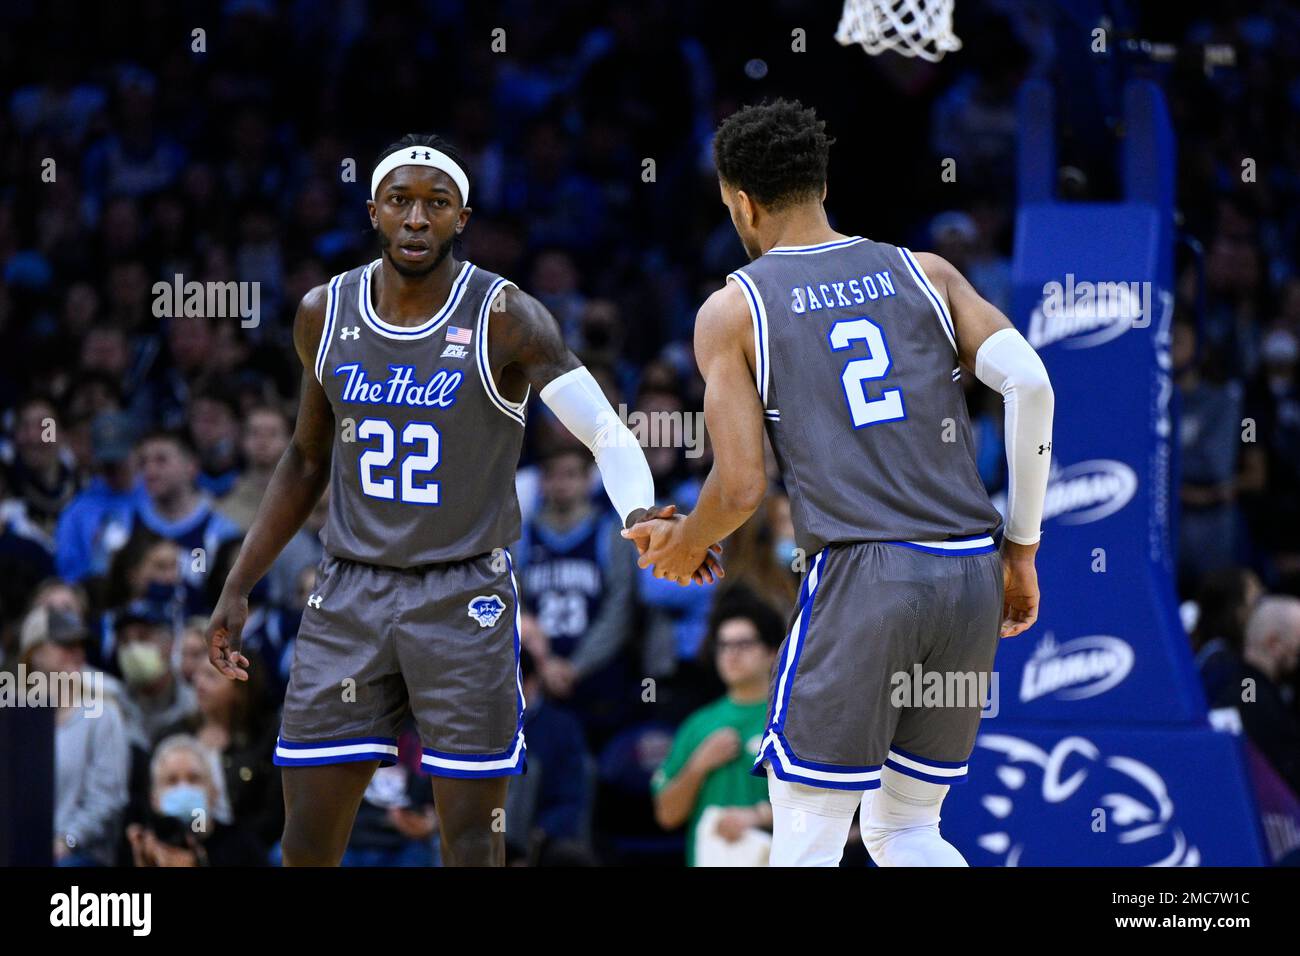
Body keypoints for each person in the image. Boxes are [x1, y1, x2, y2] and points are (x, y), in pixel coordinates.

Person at [205, 133, 719, 867]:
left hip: (464, 592)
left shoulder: (505, 316)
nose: (417, 218)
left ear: (462, 218)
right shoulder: (326, 311)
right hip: (350, 586)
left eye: (435, 204)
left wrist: (637, 512)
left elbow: (605, 430)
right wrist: (239, 582)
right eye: (400, 202)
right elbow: (306, 458)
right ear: (374, 212)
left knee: (473, 839)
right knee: (307, 841)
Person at [627, 100, 1055, 866]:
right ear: (823, 184)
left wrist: (683, 546)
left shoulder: (734, 309)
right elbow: (1033, 385)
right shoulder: (927, 273)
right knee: (907, 830)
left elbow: (740, 488)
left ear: (742, 203)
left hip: (864, 573)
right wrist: (1020, 546)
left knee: (806, 836)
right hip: (967, 572)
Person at [652, 592, 781, 866]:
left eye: (744, 644)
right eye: (723, 645)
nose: (731, 654)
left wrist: (757, 817)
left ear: (772, 652)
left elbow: (830, 808)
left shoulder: (793, 719)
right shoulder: (698, 724)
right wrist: (699, 765)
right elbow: (667, 815)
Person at [19, 605, 130, 866]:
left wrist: (65, 841)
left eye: (80, 645)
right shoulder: (13, 716)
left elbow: (107, 799)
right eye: (65, 644)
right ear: (35, 652)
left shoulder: (101, 713)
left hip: (79, 853)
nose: (77, 653)